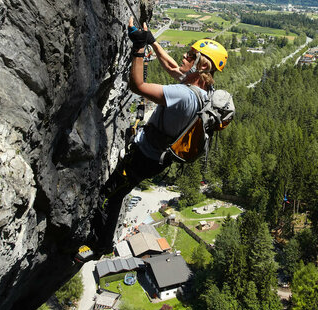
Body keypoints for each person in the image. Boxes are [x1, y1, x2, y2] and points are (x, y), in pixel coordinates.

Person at [73, 20, 228, 264]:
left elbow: (138, 85)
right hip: (156, 156)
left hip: (146, 156)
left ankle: (98, 245)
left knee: (110, 195)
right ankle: (100, 241)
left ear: (202, 65)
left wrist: (138, 47)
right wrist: (152, 40)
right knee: (116, 192)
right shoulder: (202, 91)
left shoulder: (185, 94)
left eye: (190, 55)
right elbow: (172, 67)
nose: (184, 57)